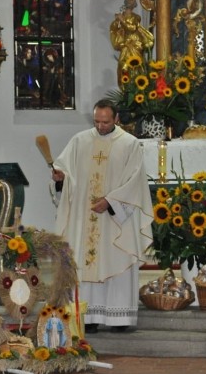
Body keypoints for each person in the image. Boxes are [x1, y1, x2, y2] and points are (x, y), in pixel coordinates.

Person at [51, 99, 153, 332]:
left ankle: (119, 319)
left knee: (116, 258)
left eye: (105, 122)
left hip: (115, 219)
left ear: (116, 119)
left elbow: (135, 182)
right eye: (97, 121)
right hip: (84, 217)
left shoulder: (130, 144)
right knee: (84, 263)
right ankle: (89, 318)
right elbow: (66, 171)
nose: (101, 126)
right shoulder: (80, 141)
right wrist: (61, 178)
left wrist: (110, 201)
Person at [109, 0, 155, 74]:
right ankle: (124, 85)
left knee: (137, 66)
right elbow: (114, 28)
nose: (130, 1)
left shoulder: (136, 17)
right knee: (122, 67)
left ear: (134, 5)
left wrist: (122, 20)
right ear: (125, 2)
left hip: (135, 44)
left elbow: (132, 28)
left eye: (132, 0)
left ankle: (135, 84)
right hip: (125, 45)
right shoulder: (120, 15)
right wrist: (117, 21)